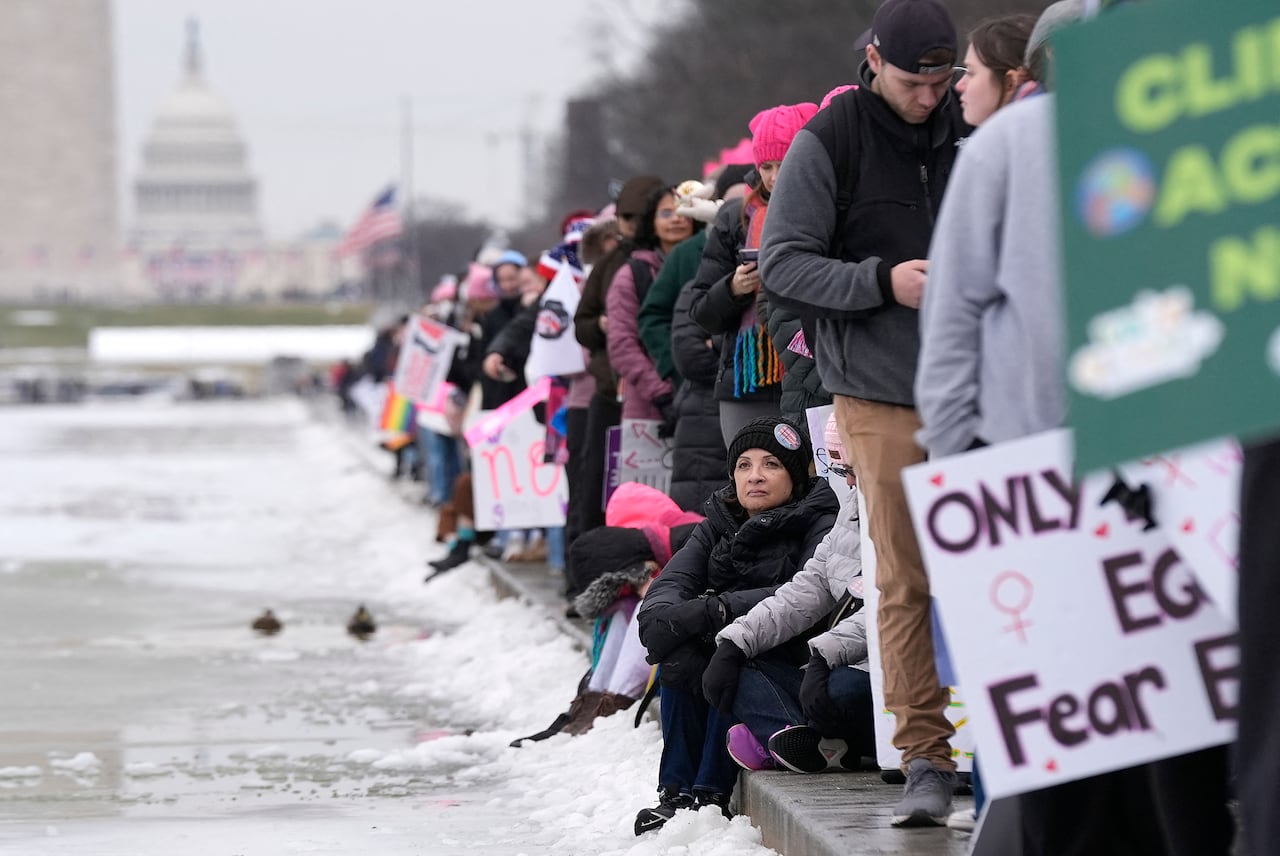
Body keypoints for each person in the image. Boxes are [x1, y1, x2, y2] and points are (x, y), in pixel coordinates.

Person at [917, 2, 1233, 852]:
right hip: (1041, 490)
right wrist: (967, 481)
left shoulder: (1213, 139)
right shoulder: (1008, 151)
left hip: (1184, 487)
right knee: (1075, 745)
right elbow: (952, 325)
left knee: (1178, 742)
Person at [760, 0, 968, 827]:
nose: (929, 95)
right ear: (874, 61)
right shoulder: (832, 140)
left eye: (942, 80)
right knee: (906, 573)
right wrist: (883, 282)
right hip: (879, 391)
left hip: (977, 384)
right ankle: (924, 754)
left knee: (996, 559)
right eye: (916, 81)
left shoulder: (970, 129)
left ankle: (1013, 737)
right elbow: (783, 265)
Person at [634, 415, 838, 834]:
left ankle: (710, 793)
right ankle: (674, 793)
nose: (755, 476)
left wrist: (718, 611)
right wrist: (675, 618)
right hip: (726, 638)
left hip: (790, 658)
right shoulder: (718, 520)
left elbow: (804, 594)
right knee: (680, 656)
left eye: (771, 465)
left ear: (796, 475)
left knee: (728, 656)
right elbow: (670, 585)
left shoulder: (820, 518)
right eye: (744, 465)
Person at [702, 414, 875, 774]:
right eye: (843, 470)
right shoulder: (853, 511)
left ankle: (813, 740)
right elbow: (804, 590)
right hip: (835, 662)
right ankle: (794, 736)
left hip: (884, 669)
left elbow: (892, 608)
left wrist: (823, 655)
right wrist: (735, 641)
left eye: (855, 469)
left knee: (841, 690)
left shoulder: (903, 510)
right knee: (733, 661)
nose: (850, 481)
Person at [690, 104, 818, 446]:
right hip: (748, 379)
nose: (776, 177)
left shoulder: (824, 208)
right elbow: (701, 310)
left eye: (785, 162)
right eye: (766, 166)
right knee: (753, 485)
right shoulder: (736, 217)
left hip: (812, 375)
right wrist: (733, 288)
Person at [606, 185, 700, 422]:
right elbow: (622, 343)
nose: (676, 219)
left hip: (703, 393)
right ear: (651, 221)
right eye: (666, 213)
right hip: (650, 403)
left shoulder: (709, 264)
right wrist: (662, 393)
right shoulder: (631, 275)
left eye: (683, 211)